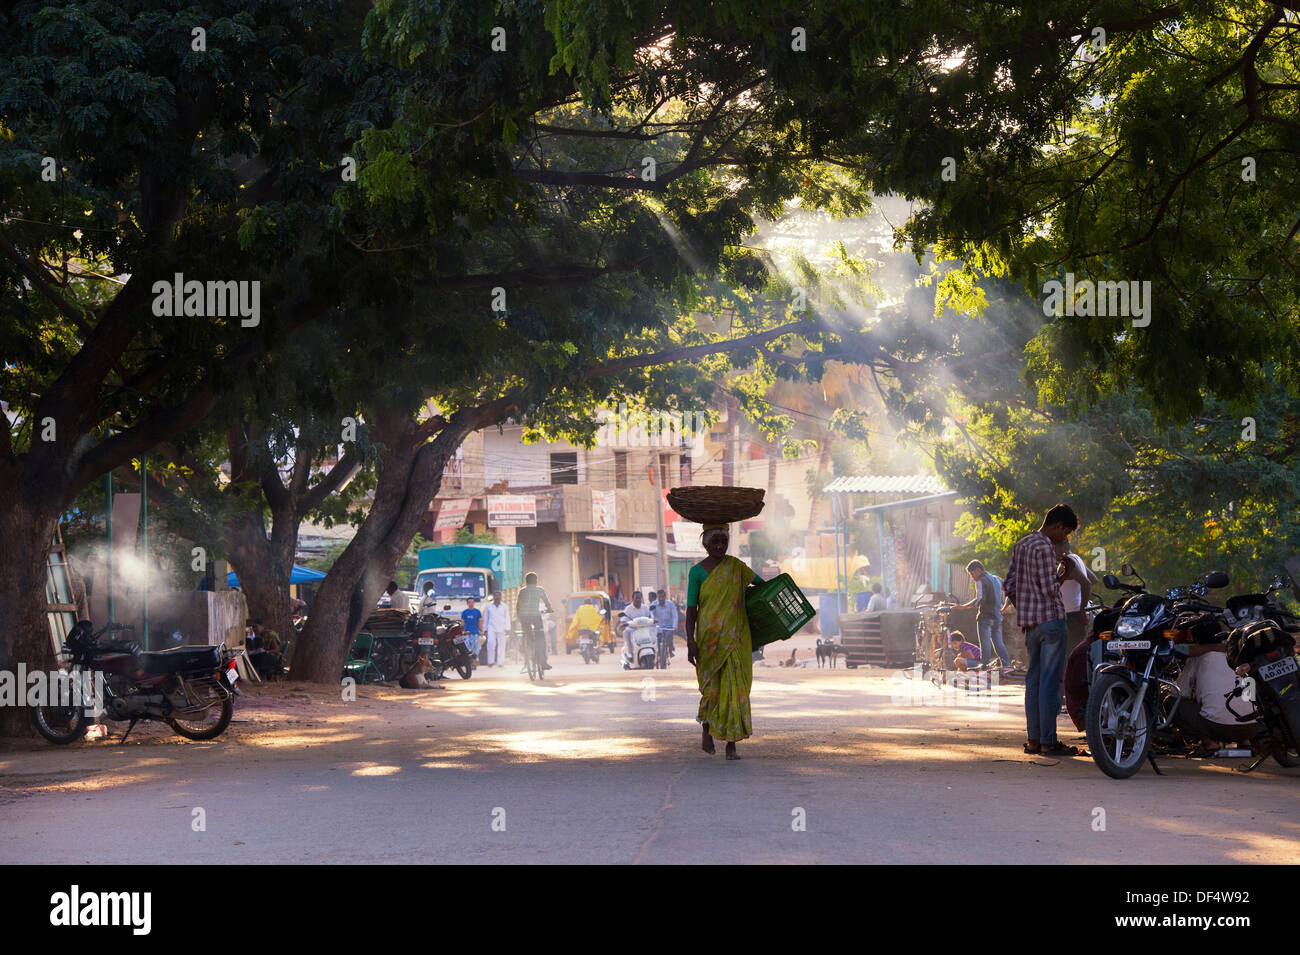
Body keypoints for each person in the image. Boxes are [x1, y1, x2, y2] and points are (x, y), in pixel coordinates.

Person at [1005, 503, 1080, 757]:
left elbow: (1010, 585)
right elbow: (1050, 589)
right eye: (1066, 532)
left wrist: (1027, 610)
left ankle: (1034, 740)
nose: (1065, 537)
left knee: (1033, 681)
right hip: (1051, 622)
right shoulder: (1046, 547)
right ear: (1057, 525)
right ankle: (1048, 742)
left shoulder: (1022, 544)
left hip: (1031, 625)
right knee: (1050, 683)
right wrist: (1065, 572)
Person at [685, 524, 762, 760]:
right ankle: (706, 730)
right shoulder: (696, 573)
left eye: (723, 542)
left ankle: (732, 744)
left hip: (736, 638)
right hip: (709, 640)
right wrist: (690, 641)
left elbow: (762, 584)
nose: (720, 547)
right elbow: (691, 611)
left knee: (736, 689)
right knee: (713, 689)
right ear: (705, 545)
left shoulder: (736, 568)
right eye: (715, 543)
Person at [1172, 640, 1258, 748]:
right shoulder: (1242, 654)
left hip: (1218, 728)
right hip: (1252, 728)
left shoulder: (1197, 656)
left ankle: (1209, 742)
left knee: (1170, 701)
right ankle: (1245, 741)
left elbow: (1181, 691)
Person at [958, 560, 1010, 670]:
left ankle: (985, 667)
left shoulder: (980, 581)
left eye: (972, 574)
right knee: (999, 644)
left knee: (985, 643)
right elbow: (1010, 591)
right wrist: (1005, 606)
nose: (972, 577)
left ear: (978, 570)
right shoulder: (996, 579)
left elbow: (979, 599)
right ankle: (1007, 667)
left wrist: (964, 606)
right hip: (997, 617)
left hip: (985, 617)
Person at [1056, 540, 1096, 664]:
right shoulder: (1076, 559)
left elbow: (1087, 583)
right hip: (1073, 613)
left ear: (1061, 546)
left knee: (1071, 653)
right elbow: (1094, 579)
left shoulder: (1069, 562)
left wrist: (1082, 609)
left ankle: (1071, 682)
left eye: (1053, 547)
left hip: (1074, 614)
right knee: (1073, 652)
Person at [516, 572, 553, 670]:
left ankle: (525, 652)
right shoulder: (540, 590)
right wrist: (549, 609)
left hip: (524, 617)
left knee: (527, 635)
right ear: (536, 581)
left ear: (526, 581)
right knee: (541, 638)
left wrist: (519, 616)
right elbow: (547, 603)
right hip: (536, 617)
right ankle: (543, 662)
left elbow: (518, 606)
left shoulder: (522, 591)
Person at [483, 591, 511, 668]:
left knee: (502, 645)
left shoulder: (504, 606)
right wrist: (485, 629)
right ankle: (490, 662)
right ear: (493, 597)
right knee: (491, 644)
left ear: (501, 597)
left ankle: (500, 662)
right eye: (496, 596)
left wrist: (508, 628)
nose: (497, 597)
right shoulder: (489, 606)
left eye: (499, 596)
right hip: (491, 627)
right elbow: (486, 618)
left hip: (502, 628)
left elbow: (507, 617)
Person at [652, 588, 678, 668]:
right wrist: (653, 619)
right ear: (657, 597)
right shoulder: (654, 604)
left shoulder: (670, 604)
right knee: (657, 640)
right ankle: (659, 654)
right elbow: (651, 613)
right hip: (658, 627)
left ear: (665, 597)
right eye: (659, 597)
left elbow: (674, 615)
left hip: (668, 627)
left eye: (662, 597)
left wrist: (674, 625)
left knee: (669, 636)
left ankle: (670, 649)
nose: (661, 599)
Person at [620, 590, 648, 661]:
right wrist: (624, 622)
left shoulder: (645, 608)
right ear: (633, 599)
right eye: (636, 598)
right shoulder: (628, 609)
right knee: (626, 632)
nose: (638, 600)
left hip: (644, 629)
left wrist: (654, 620)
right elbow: (624, 619)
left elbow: (650, 617)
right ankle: (630, 653)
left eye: (639, 598)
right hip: (633, 629)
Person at [460, 597, 482, 661]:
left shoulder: (477, 612)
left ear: (474, 603)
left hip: (475, 633)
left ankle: (474, 661)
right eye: (469, 602)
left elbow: (479, 622)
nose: (471, 604)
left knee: (475, 648)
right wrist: (462, 631)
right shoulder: (464, 612)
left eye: (472, 602)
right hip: (467, 633)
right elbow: (463, 623)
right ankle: (470, 662)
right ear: (467, 603)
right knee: (468, 648)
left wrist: (481, 630)